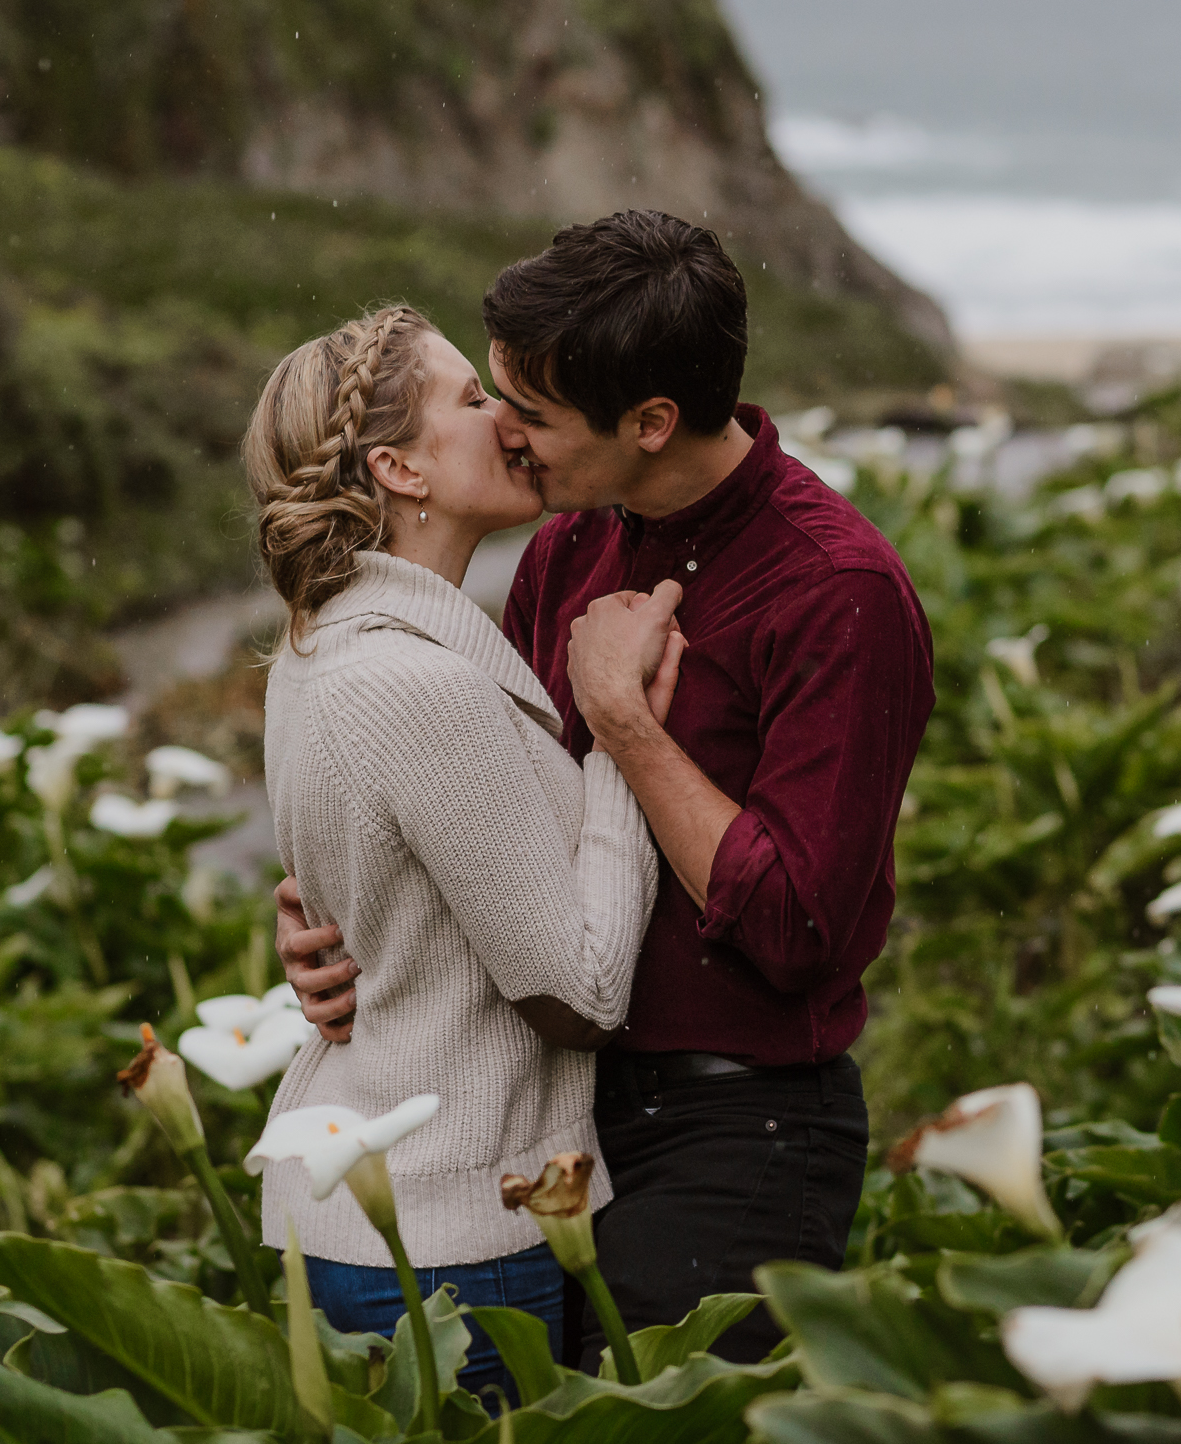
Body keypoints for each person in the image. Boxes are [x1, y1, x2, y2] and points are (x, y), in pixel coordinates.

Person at [276, 210, 935, 1364]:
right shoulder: (567, 551)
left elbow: (799, 931)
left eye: (530, 413)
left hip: (738, 1129)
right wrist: (350, 915)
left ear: (650, 421)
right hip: (556, 1119)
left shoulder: (840, 592)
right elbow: (508, 828)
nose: (511, 438)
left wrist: (628, 725)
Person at [241, 303, 682, 1405]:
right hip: (448, 1237)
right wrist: (622, 737)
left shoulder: (319, 645)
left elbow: (382, 890)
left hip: (384, 1221)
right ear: (399, 468)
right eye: (471, 400)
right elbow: (577, 989)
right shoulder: (414, 682)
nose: (510, 419)